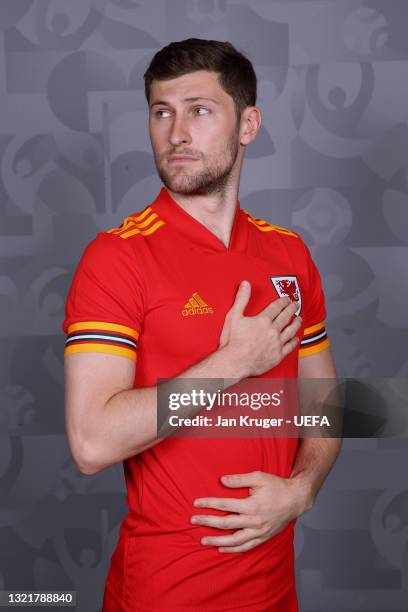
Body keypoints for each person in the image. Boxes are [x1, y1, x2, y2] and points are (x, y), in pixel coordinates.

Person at [62, 38, 342, 612]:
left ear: (248, 124)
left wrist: (302, 490)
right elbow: (91, 442)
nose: (177, 133)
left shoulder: (288, 254)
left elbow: (325, 404)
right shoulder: (118, 257)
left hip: (273, 588)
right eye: (161, 112)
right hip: (167, 589)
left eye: (200, 110)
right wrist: (234, 361)